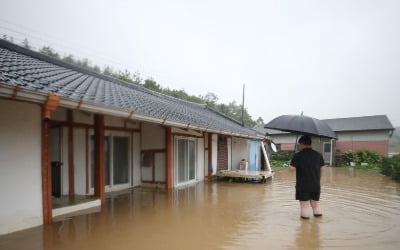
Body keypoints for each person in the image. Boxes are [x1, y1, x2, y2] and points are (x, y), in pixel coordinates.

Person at [289, 135, 325, 219]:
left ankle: (304, 228)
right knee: (315, 205)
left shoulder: (298, 155)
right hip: (316, 184)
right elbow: (322, 169)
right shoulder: (318, 155)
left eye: (299, 144)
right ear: (310, 143)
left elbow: (291, 169)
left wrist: (290, 162)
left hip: (303, 185)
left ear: (301, 144)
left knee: (305, 206)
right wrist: (318, 180)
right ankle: (317, 224)